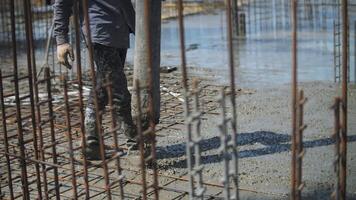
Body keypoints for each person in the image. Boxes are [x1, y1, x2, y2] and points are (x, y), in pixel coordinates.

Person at [53, 0, 137, 160]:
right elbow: (62, 3)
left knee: (103, 87)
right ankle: (135, 143)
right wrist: (61, 40)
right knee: (119, 90)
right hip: (99, 31)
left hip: (120, 30)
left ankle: (91, 142)